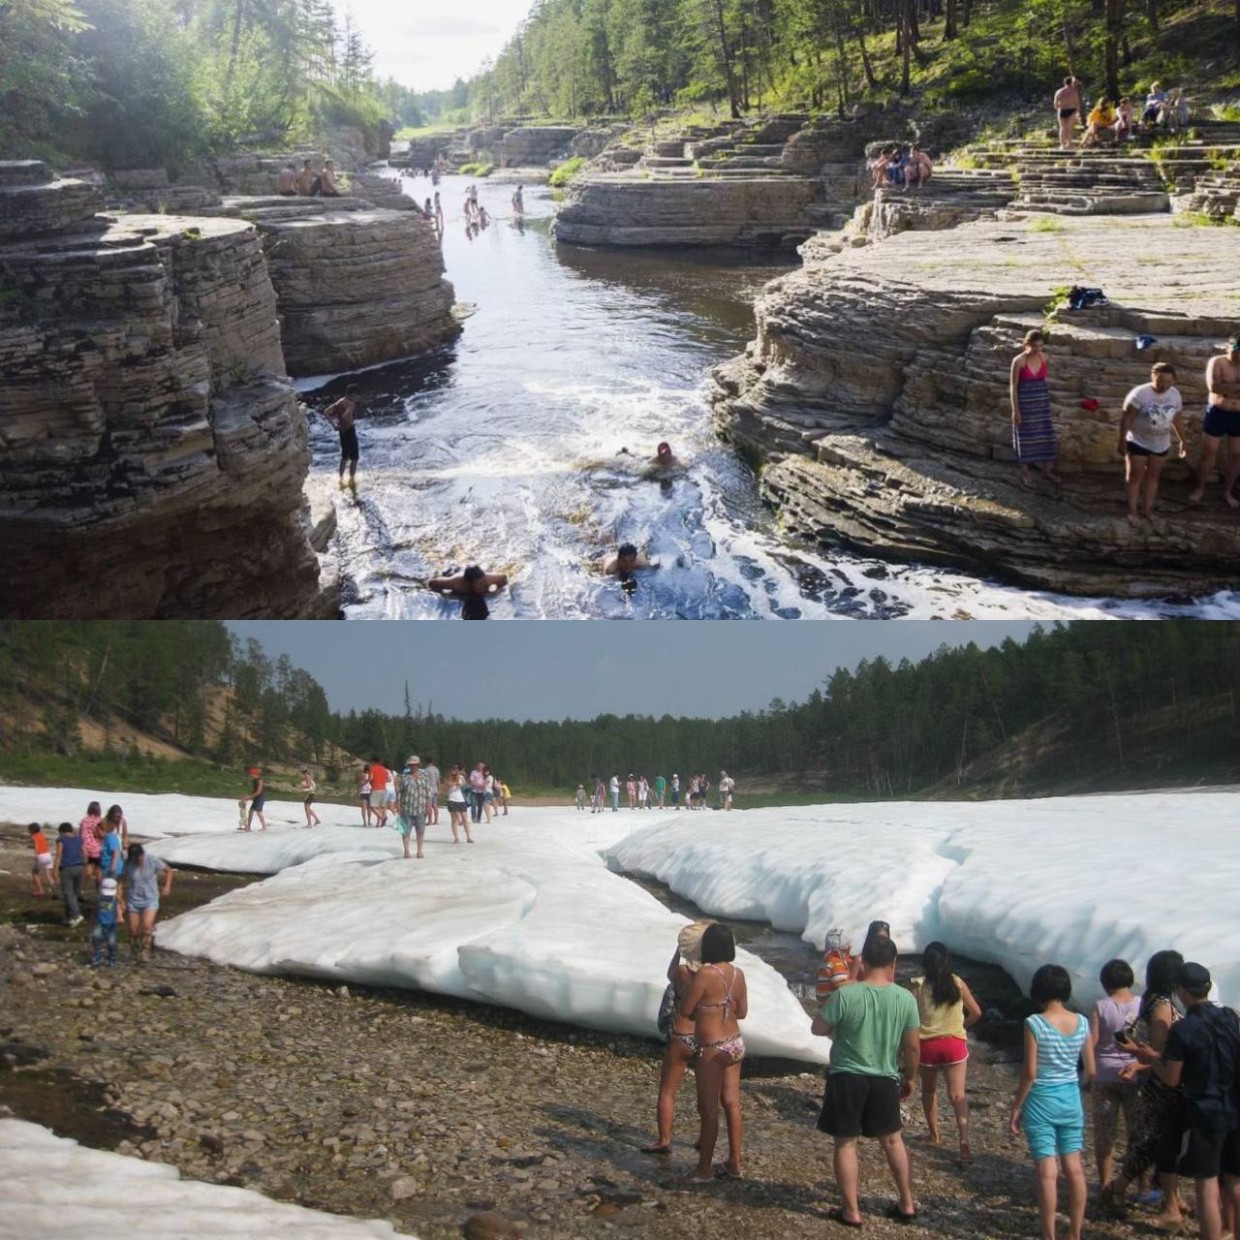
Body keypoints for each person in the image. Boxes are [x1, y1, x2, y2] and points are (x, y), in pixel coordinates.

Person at [812, 934, 920, 1226]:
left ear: (864, 961)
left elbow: (817, 1027)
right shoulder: (905, 998)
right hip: (885, 1076)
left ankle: (851, 1211)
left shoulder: (846, 994)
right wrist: (910, 1076)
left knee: (846, 1144)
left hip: (847, 1075)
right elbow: (912, 1046)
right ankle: (907, 1203)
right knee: (893, 1141)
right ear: (892, 963)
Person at [1139, 962, 1240, 1240]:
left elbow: (1172, 1078)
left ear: (1181, 992)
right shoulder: (1231, 1017)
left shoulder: (1183, 1030)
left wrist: (1150, 1059)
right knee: (1234, 1180)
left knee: (1206, 1185)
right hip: (1235, 1105)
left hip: (1205, 1112)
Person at [1102, 949, 1191, 1229]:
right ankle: (1117, 1188)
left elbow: (1131, 1034)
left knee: (1154, 1142)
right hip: (1164, 1085)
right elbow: (1160, 1049)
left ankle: (1171, 1197)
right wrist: (1141, 1058)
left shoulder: (1149, 1000)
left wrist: (1136, 1057)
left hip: (1154, 1080)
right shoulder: (1163, 1004)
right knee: (1154, 1144)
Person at [1010, 964, 1094, 1240]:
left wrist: (1016, 1106)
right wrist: (1073, 1087)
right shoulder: (1082, 1022)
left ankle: (1049, 1234)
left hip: (1041, 1101)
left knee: (1047, 1172)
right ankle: (1075, 1232)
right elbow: (1090, 1070)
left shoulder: (1034, 1023)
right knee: (1074, 1167)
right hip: (1071, 1099)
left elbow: (1030, 1072)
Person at [680, 923, 748, 1182]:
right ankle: (734, 1162)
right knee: (732, 1104)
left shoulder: (706, 974)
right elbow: (742, 1012)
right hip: (735, 1043)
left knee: (708, 1110)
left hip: (712, 1047)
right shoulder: (738, 974)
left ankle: (704, 1170)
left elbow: (686, 1010)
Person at [642, 920, 713, 1156]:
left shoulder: (683, 973)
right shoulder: (713, 974)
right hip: (704, 1037)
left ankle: (664, 1140)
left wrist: (677, 951)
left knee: (668, 1091)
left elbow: (670, 973)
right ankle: (704, 1139)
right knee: (705, 1095)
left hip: (682, 1036)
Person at [910, 941, 982, 1164]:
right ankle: (964, 1140)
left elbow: (910, 1021)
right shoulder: (957, 982)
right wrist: (962, 1028)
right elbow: (977, 1012)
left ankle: (934, 1135)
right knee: (958, 1095)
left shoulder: (918, 986)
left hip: (928, 1046)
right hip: (954, 1045)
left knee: (929, 1091)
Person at [1089, 957, 1142, 1191]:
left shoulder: (1101, 1006)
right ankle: (1142, 1185)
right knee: (1137, 1134)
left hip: (1104, 1075)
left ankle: (1105, 1183)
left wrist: (1087, 1073)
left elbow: (1092, 1043)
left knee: (1105, 1134)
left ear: (1105, 982)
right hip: (1136, 1075)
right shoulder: (1142, 1005)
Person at [1118, 361, 1187, 523]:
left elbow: (1177, 419)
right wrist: (1121, 440)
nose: (1164, 385)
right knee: (1135, 475)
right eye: (1160, 381)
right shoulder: (1140, 394)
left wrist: (1183, 440)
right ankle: (1132, 510)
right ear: (1153, 377)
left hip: (1160, 442)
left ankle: (1148, 509)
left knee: (1153, 476)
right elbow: (1127, 418)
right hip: (1138, 440)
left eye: (1169, 382)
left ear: (1174, 381)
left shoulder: (1175, 394)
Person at [1190, 336, 1240, 508]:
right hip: (1218, 412)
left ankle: (1227, 492)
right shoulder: (1217, 362)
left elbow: (1222, 388)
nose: (1237, 357)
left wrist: (1227, 389)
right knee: (1208, 452)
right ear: (1228, 348)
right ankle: (1199, 489)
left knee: (1236, 455)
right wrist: (1233, 389)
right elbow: (1214, 387)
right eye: (1235, 352)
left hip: (1238, 415)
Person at [1010, 329, 1060, 487]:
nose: (1037, 349)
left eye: (1040, 346)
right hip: (1025, 404)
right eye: (1034, 346)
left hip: (1041, 404)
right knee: (1025, 438)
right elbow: (1013, 386)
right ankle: (1026, 474)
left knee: (1046, 437)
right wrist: (1015, 410)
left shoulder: (1045, 358)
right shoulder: (1018, 361)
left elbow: (1043, 381)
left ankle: (1047, 471)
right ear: (1026, 344)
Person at [121, 843, 173, 964]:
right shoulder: (128, 864)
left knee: (147, 926)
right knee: (133, 929)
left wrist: (167, 886)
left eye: (139, 858)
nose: (137, 861)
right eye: (134, 859)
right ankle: (134, 950)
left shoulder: (151, 859)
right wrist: (120, 898)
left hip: (150, 899)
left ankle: (145, 951)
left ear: (142, 854)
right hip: (134, 899)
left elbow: (168, 870)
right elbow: (121, 879)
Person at [396, 756, 434, 860]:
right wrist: (398, 805)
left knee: (420, 831)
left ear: (418, 765)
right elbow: (400, 793)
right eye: (411, 765)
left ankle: (419, 851)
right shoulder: (405, 777)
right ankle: (406, 851)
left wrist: (429, 806)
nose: (413, 766)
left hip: (421, 808)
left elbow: (429, 793)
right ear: (408, 766)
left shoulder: (424, 777)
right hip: (407, 808)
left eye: (414, 765)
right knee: (405, 831)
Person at [324, 384, 360, 488]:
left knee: (344, 456)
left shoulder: (339, 402)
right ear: (353, 395)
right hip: (349, 431)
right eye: (357, 396)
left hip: (342, 432)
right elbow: (346, 415)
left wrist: (334, 425)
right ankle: (352, 480)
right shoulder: (351, 403)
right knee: (354, 457)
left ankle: (340, 479)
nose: (358, 398)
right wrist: (349, 421)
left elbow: (326, 412)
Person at [52, 822, 86, 927]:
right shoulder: (79, 839)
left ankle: (76, 914)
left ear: (61, 831)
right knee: (74, 893)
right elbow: (85, 853)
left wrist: (55, 870)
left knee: (68, 893)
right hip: (79, 866)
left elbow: (59, 855)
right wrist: (83, 864)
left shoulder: (61, 840)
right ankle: (70, 918)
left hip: (67, 868)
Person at [91, 876, 123, 968]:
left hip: (111, 923)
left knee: (112, 942)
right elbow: (96, 907)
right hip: (100, 922)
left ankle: (112, 957)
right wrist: (94, 915)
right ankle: (97, 954)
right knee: (96, 936)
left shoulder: (115, 899)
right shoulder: (99, 897)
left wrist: (120, 916)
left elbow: (119, 908)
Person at [79, 800, 104, 896]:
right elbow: (102, 835)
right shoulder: (100, 821)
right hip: (98, 849)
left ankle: (81, 890)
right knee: (99, 872)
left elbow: (80, 834)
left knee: (87, 873)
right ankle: (99, 892)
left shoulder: (84, 820)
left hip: (86, 849)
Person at [445, 767, 473, 842]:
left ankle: (468, 837)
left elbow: (462, 784)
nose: (454, 775)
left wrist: (458, 779)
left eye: (455, 774)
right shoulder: (448, 780)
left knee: (465, 819)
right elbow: (448, 787)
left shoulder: (460, 778)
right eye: (452, 774)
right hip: (452, 800)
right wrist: (453, 783)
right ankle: (456, 837)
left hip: (461, 800)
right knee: (454, 820)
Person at [1054, 77, 1082, 149]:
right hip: (1071, 109)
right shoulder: (1074, 91)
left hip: (1061, 110)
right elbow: (1077, 103)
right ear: (1071, 83)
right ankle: (1069, 144)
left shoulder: (1058, 91)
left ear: (1064, 83)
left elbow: (1055, 104)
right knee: (1069, 128)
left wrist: (1059, 109)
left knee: (1062, 128)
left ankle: (1062, 145)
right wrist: (1078, 113)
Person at [238, 765, 266, 831]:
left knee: (258, 812)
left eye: (251, 774)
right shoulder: (255, 780)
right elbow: (255, 791)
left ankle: (264, 827)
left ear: (255, 774)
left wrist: (250, 797)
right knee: (251, 811)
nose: (251, 776)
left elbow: (259, 792)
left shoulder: (260, 781)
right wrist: (249, 797)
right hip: (257, 798)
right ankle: (248, 827)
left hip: (260, 798)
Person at [28, 823, 52, 896]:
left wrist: (36, 855)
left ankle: (40, 891)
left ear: (32, 830)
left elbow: (36, 845)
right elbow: (42, 844)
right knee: (48, 875)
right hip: (48, 855)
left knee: (35, 873)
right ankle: (54, 891)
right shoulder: (41, 834)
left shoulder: (34, 836)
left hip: (41, 856)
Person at [369, 758, 389, 828]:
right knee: (380, 806)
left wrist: (369, 781)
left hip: (376, 788)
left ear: (373, 761)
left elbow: (371, 778)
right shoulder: (384, 769)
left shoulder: (373, 768)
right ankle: (379, 823)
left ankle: (382, 818)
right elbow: (389, 779)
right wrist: (382, 780)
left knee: (372, 806)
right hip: (383, 789)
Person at [424, 758, 441, 825]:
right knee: (435, 805)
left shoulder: (426, 770)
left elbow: (424, 781)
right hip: (435, 788)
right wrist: (439, 789)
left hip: (428, 789)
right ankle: (436, 820)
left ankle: (430, 821)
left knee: (429, 806)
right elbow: (438, 780)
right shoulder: (436, 769)